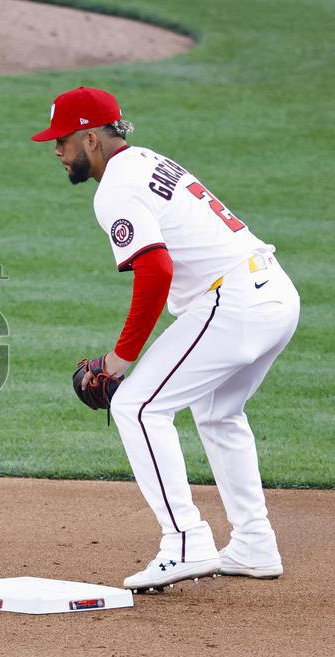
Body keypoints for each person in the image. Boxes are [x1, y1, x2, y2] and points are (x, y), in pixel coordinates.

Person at [31, 87, 299, 591]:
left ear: (90, 138)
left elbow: (154, 271)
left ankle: (185, 542)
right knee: (218, 413)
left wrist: (118, 361)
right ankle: (254, 542)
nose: (56, 150)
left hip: (235, 303)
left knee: (137, 407)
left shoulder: (113, 189)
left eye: (62, 140)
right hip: (274, 293)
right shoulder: (148, 161)